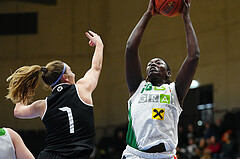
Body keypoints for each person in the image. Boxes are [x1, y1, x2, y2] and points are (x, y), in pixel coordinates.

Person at [6, 30, 104, 159]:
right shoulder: (82, 89)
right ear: (65, 77)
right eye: (71, 71)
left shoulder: (43, 105)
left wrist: (26, 92)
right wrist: (99, 44)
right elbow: (96, 67)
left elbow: (18, 111)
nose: (74, 74)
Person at [122, 0, 200, 158]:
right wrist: (148, 14)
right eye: (149, 63)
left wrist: (186, 17)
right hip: (136, 155)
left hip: (166, 156)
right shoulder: (137, 87)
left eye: (158, 63)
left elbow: (194, 56)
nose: (151, 64)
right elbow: (131, 47)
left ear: (168, 73)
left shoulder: (174, 91)